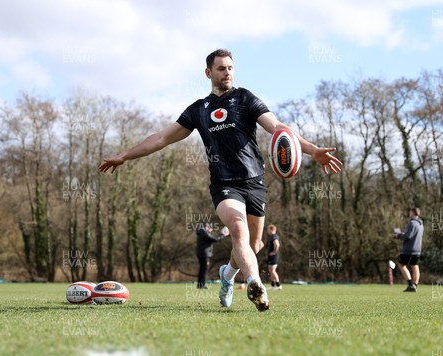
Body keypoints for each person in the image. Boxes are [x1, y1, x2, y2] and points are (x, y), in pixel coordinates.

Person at [99, 49, 342, 311]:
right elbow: (160, 139)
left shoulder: (244, 98)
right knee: (238, 228)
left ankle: (227, 275)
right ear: (208, 73)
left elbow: (278, 127)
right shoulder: (198, 110)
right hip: (224, 184)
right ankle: (255, 285)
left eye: (230, 68)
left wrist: (311, 149)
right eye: (221, 68)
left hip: (255, 181)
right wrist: (124, 155)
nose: (227, 73)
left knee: (254, 244)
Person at [395, 207, 424, 292]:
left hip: (409, 249)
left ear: (413, 213)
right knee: (415, 266)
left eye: (410, 212)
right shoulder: (421, 224)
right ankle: (415, 285)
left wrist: (399, 235)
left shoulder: (412, 223)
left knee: (401, 264)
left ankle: (410, 284)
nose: (409, 213)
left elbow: (408, 236)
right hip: (418, 249)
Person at [196, 223, 229, 289]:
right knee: (204, 270)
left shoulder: (201, 232)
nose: (211, 230)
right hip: (204, 254)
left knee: (201, 270)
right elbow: (215, 239)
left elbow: (213, 238)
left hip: (201, 254)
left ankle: (200, 285)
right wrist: (223, 235)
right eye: (210, 228)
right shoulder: (204, 233)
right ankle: (202, 285)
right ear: (207, 227)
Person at [266, 224, 281, 290]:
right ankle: (273, 285)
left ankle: (278, 285)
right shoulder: (272, 236)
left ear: (272, 229)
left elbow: (277, 244)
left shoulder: (274, 236)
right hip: (271, 257)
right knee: (270, 270)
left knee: (273, 270)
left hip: (274, 257)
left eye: (268, 229)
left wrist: (274, 252)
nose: (267, 231)